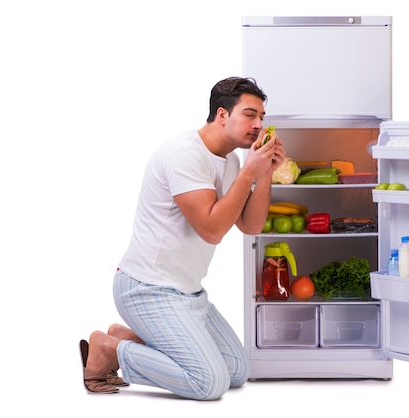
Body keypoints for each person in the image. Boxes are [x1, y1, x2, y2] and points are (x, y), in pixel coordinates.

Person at [79, 77, 286, 400]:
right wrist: (249, 173)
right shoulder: (184, 154)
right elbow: (211, 229)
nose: (259, 124)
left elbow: (251, 226)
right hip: (146, 289)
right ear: (221, 115)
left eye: (261, 117)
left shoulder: (230, 160)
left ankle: (128, 337)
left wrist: (266, 172)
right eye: (250, 114)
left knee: (236, 370)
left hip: (188, 294)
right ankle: (108, 349)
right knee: (208, 383)